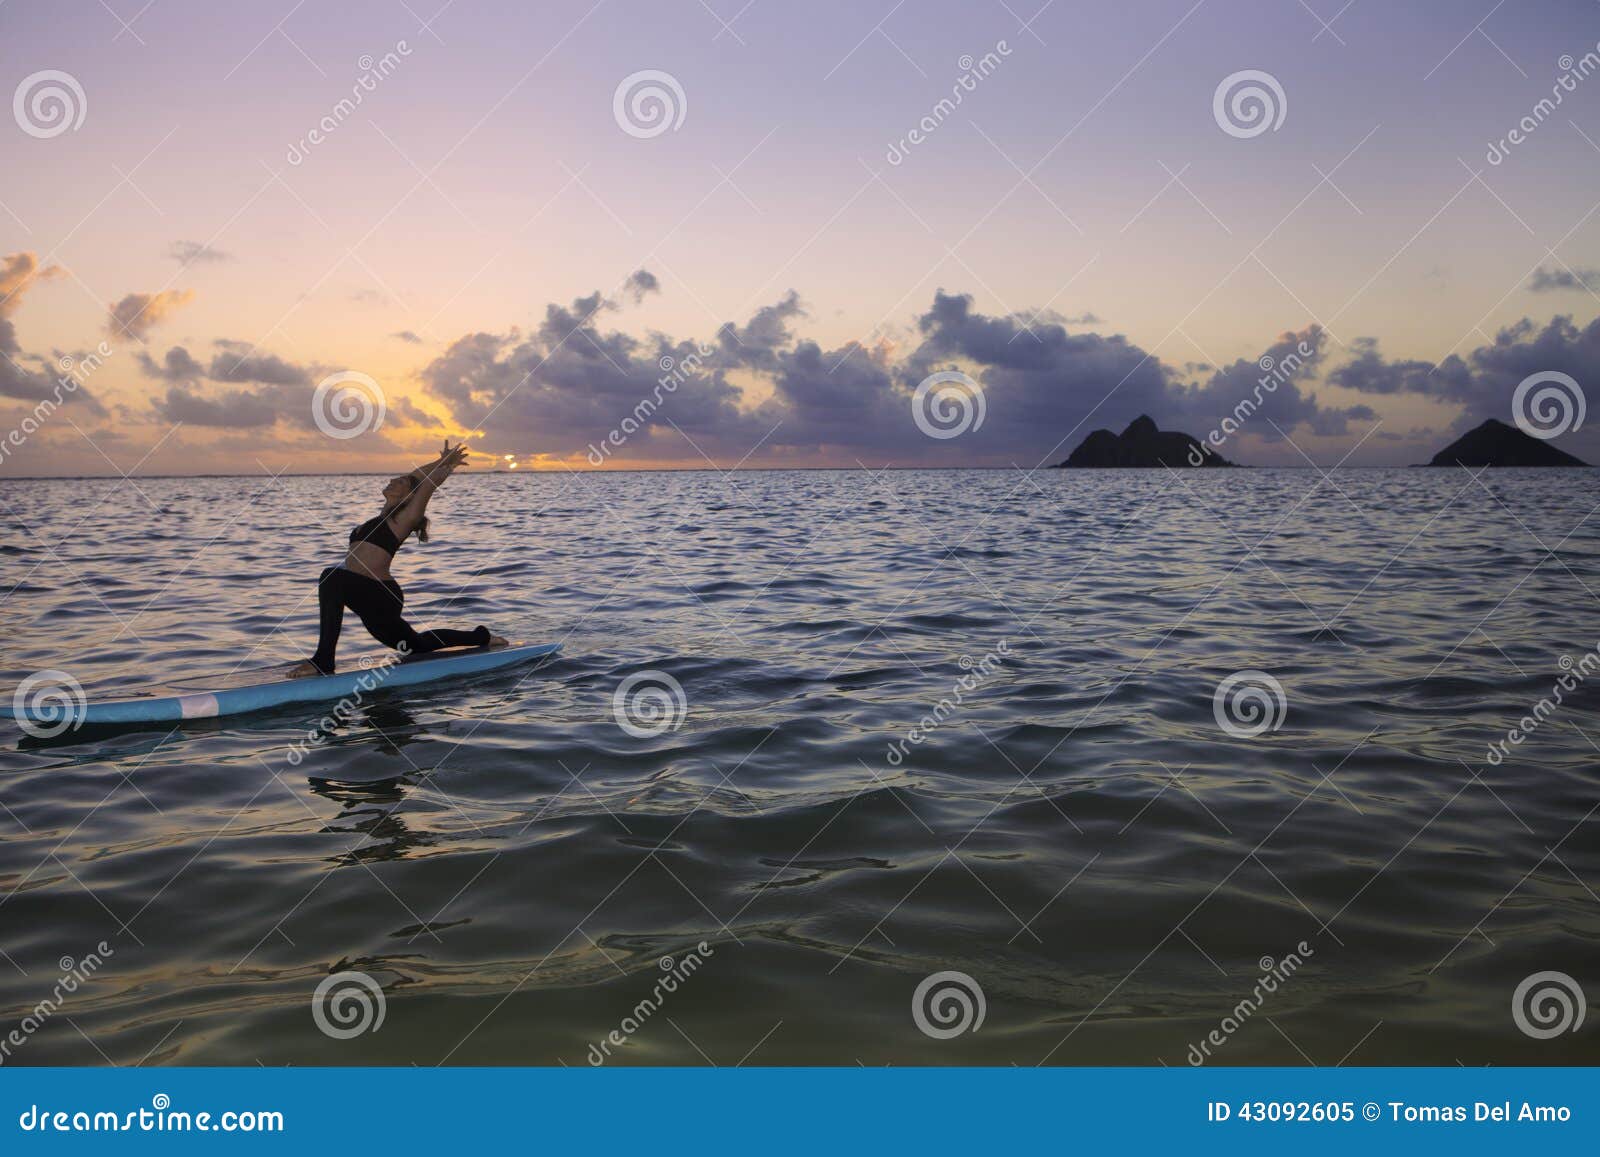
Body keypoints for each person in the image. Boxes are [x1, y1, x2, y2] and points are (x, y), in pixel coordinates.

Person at [289, 440, 506, 677]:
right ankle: (481, 636)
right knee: (415, 644)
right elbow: (415, 476)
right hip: (366, 597)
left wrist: (446, 467)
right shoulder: (378, 518)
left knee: (331, 577)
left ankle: (323, 660)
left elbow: (425, 485)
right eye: (396, 478)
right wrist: (438, 460)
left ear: (409, 496)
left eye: (400, 482)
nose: (393, 480)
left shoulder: (404, 519)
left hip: (382, 595)